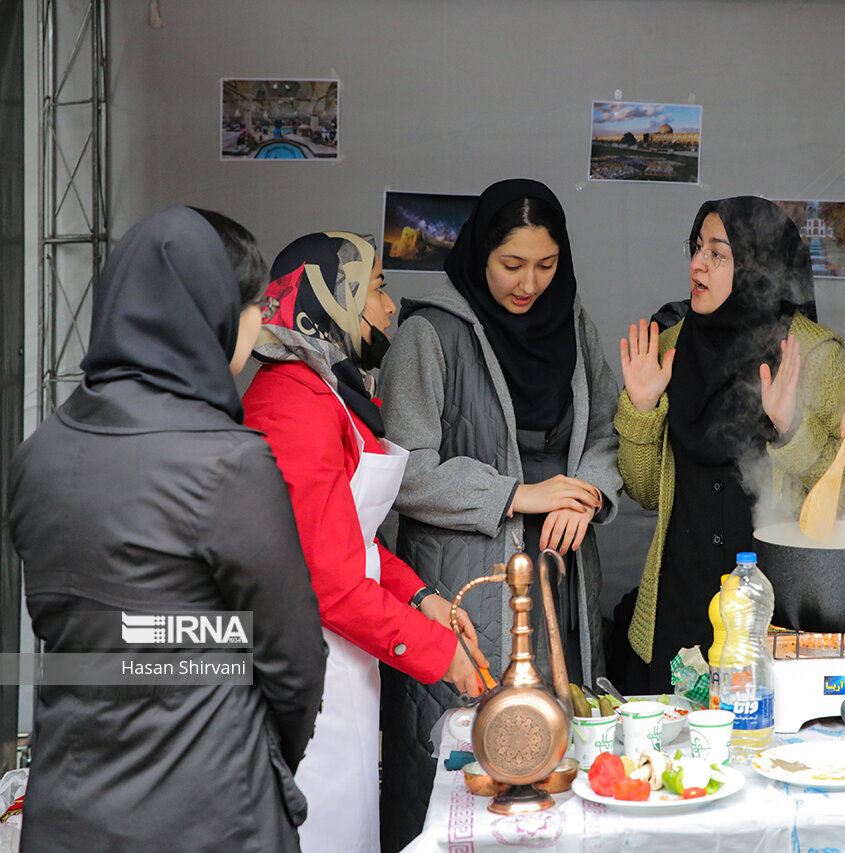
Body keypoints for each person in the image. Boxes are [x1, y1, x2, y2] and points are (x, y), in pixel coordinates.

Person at [6, 206, 327, 852]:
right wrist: (262, 754)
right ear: (208, 314)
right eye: (254, 305)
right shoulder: (229, 460)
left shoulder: (37, 452)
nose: (262, 321)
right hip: (208, 808)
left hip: (67, 806)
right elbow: (294, 660)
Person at [377, 178, 621, 849]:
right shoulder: (430, 333)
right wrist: (519, 494)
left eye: (546, 266)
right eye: (512, 265)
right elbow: (406, 470)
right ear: (480, 252)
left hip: (558, 578)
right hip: (468, 582)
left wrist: (591, 490)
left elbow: (605, 432)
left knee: (551, 757)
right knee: (466, 766)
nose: (529, 284)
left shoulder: (573, 323)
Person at [241, 231, 488, 853]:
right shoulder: (289, 406)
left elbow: (350, 536)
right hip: (305, 668)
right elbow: (327, 579)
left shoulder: (327, 389)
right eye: (374, 287)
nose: (387, 304)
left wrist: (423, 594)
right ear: (328, 302)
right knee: (321, 828)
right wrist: (439, 653)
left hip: (346, 656)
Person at [616, 195, 845, 694]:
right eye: (696, 249)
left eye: (718, 253)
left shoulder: (814, 355)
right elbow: (647, 492)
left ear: (759, 265)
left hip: (775, 612)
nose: (697, 264)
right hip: (679, 606)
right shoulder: (668, 348)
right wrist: (643, 410)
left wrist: (792, 428)